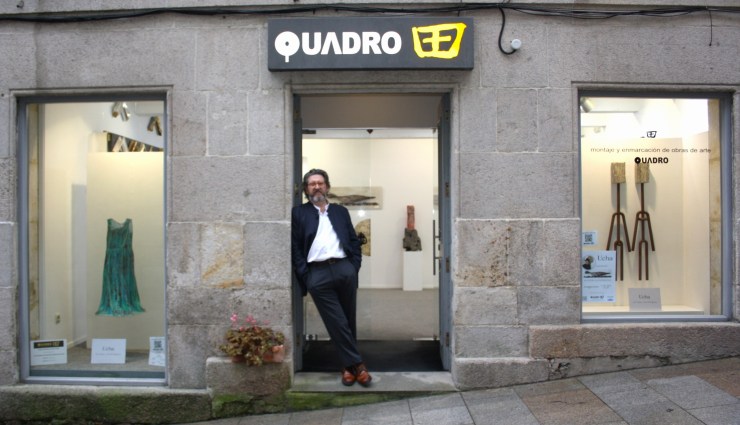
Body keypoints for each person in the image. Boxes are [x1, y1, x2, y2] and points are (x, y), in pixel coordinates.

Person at [291, 169, 372, 387]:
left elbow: (353, 240)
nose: (316, 187)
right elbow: (296, 248)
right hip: (317, 274)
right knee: (336, 320)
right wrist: (306, 276)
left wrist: (353, 267)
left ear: (327, 186)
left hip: (344, 269)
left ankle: (347, 368)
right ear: (306, 189)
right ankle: (359, 365)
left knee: (348, 319)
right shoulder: (298, 213)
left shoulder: (340, 212)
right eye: (312, 184)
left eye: (320, 183)